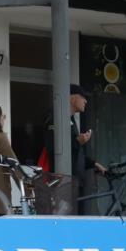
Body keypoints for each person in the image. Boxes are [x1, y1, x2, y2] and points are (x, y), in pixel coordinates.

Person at [43, 84, 107, 213]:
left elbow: (74, 153)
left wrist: (93, 163)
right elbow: (53, 147)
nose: (86, 101)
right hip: (63, 183)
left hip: (74, 182)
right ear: (72, 98)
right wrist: (78, 141)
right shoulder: (56, 118)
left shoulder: (70, 119)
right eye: (83, 97)